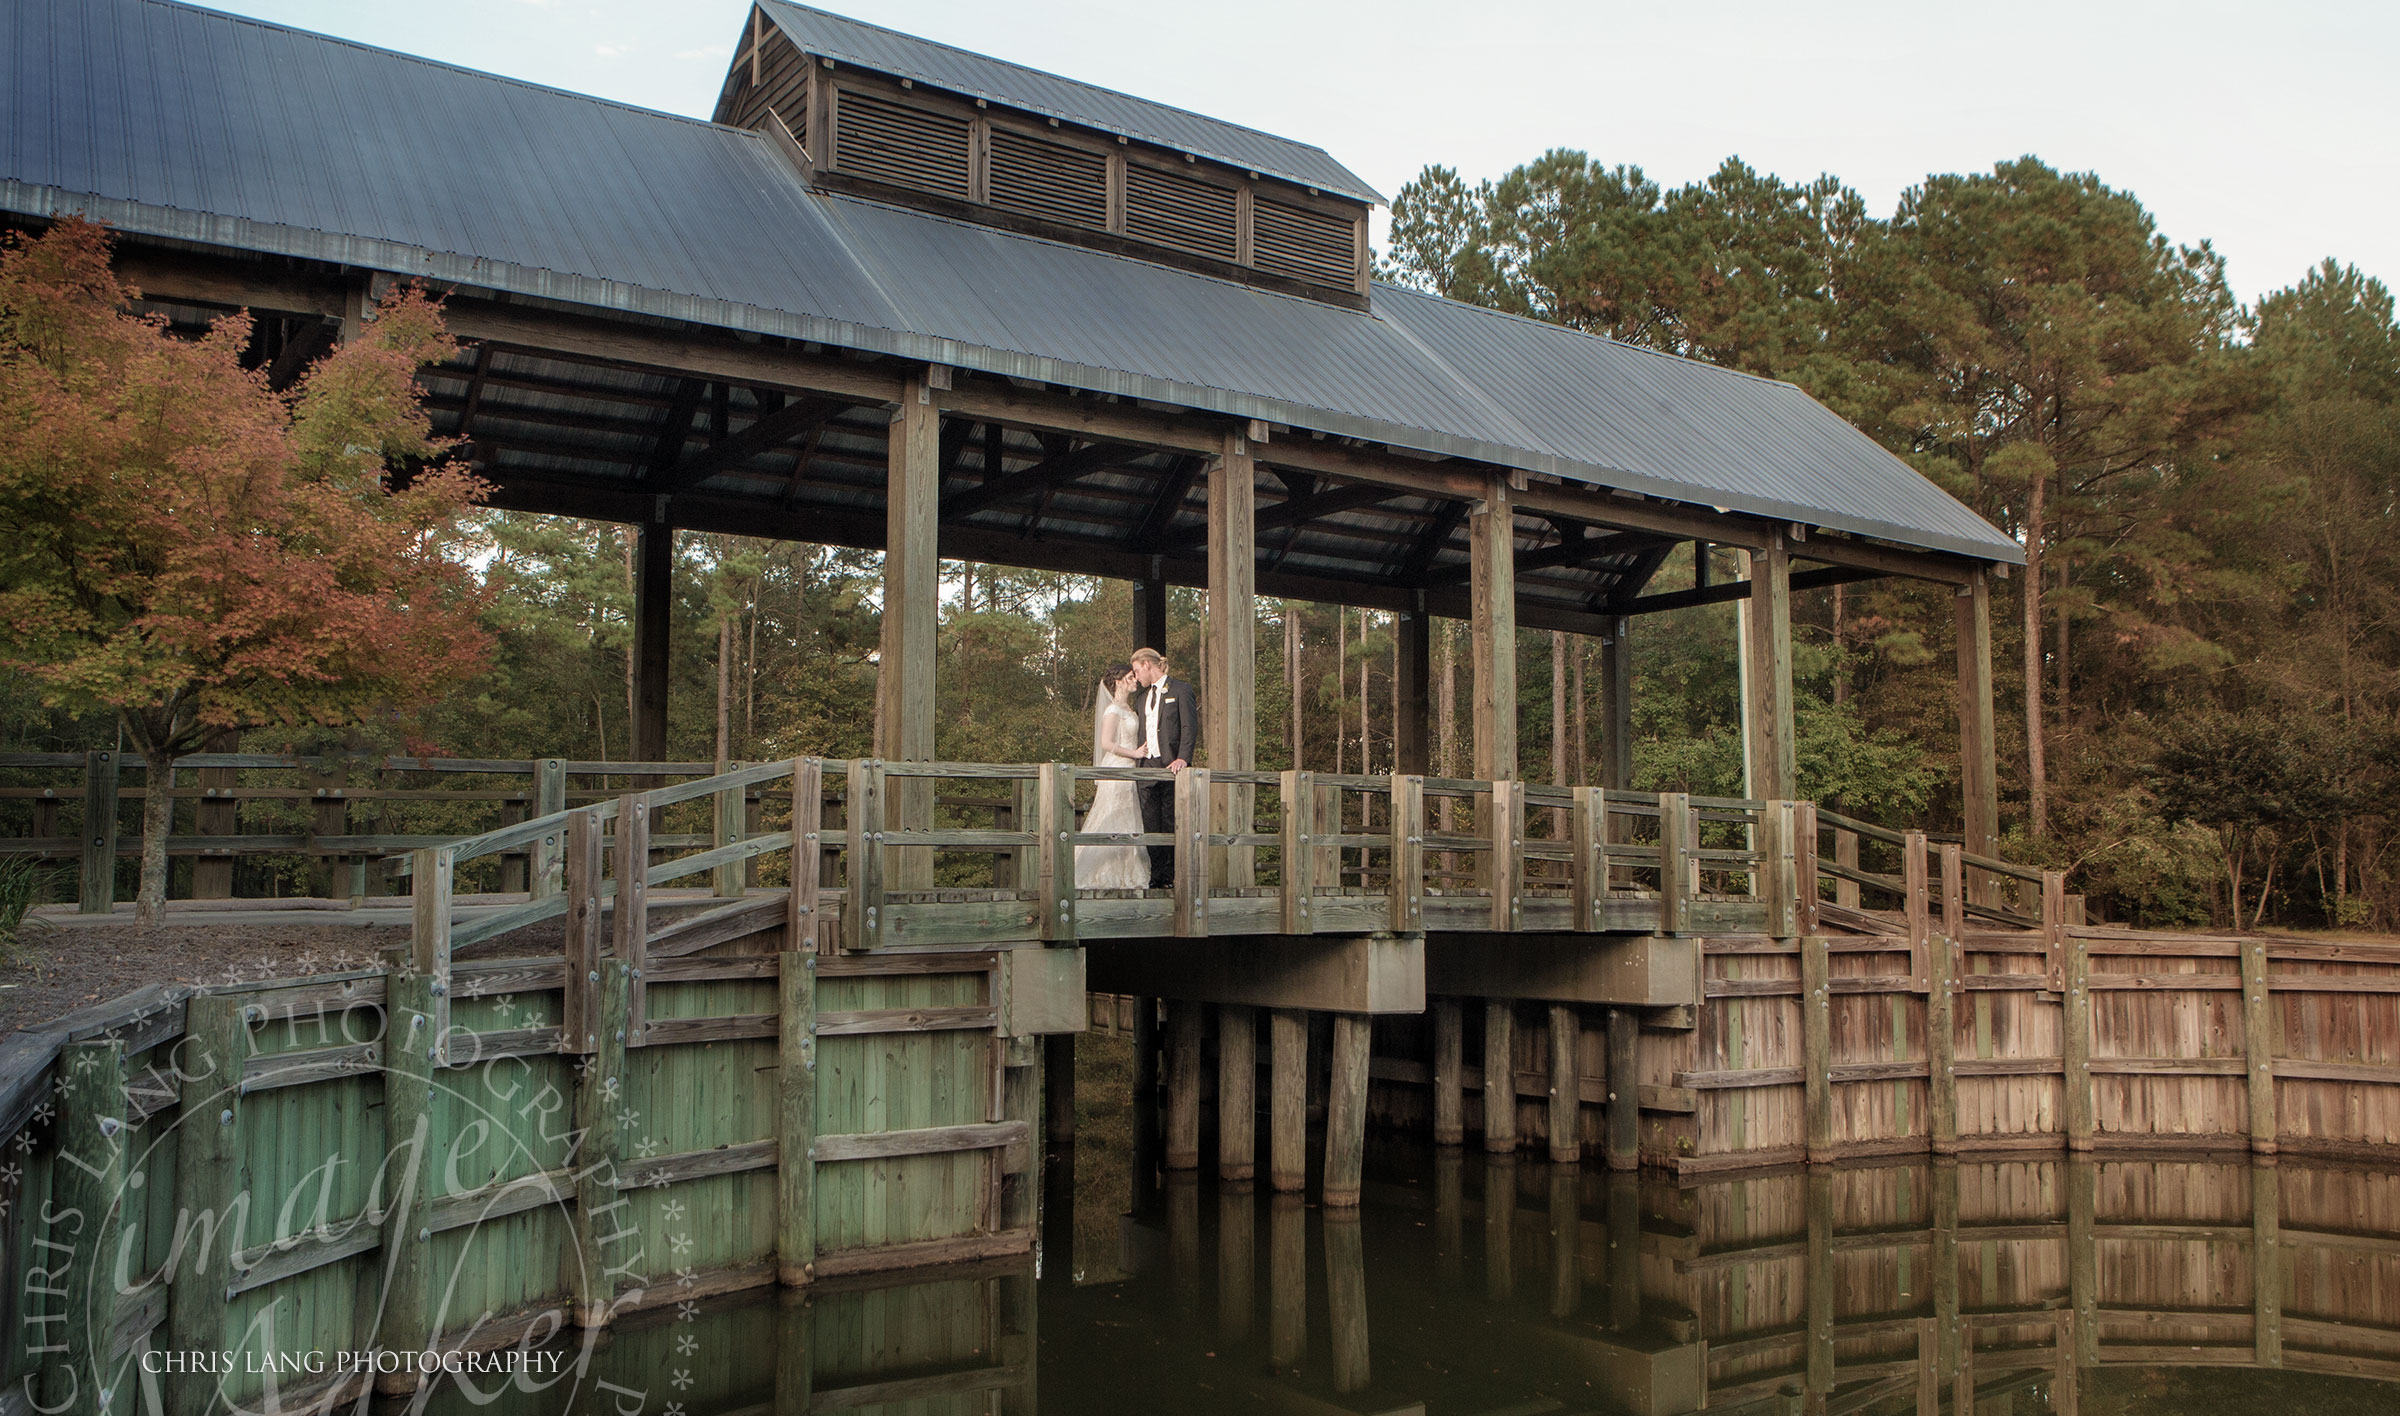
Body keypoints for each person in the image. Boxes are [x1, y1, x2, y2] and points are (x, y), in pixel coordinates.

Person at [1076, 665, 1151, 890]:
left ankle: (1127, 872)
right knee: (1111, 814)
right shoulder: (1112, 711)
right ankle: (1098, 871)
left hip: (1131, 768)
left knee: (1130, 817)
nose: (1134, 680)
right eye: (1130, 677)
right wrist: (1134, 753)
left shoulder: (1129, 708)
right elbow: (1106, 743)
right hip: (1118, 766)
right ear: (1118, 681)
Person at [1129, 647, 1198, 889]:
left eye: (1137, 671)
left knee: (1170, 821)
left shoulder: (1181, 689)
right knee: (1151, 823)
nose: (1137, 676)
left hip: (1171, 766)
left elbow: (1189, 727)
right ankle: (1155, 877)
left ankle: (1168, 877)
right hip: (1146, 767)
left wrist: (1183, 758)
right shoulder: (1141, 698)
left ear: (1147, 665)